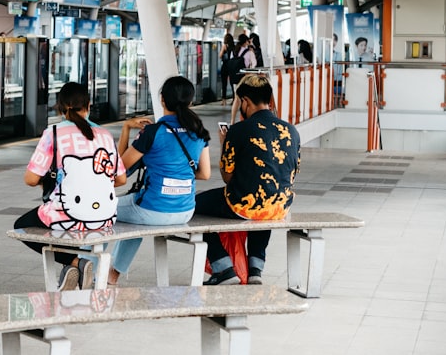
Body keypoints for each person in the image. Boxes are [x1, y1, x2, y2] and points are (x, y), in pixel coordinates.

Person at [15, 81, 125, 290]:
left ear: (60, 107)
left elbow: (30, 179)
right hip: (105, 218)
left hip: (68, 216)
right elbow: (120, 179)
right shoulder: (105, 135)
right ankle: (74, 271)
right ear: (89, 105)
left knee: (22, 226)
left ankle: (76, 263)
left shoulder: (54, 133)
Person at [196, 74, 300, 285]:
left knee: (192, 204)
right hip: (281, 206)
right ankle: (255, 269)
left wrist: (226, 144)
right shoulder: (291, 130)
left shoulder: (238, 131)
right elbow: (292, 171)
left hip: (242, 205)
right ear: (269, 100)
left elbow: (227, 177)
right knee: (266, 200)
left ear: (245, 101)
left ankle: (223, 266)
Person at [106, 76, 211, 285]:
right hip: (185, 211)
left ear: (162, 100)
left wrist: (126, 128)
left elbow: (119, 168)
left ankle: (83, 264)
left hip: (154, 210)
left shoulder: (153, 132)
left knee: (102, 210)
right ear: (190, 102)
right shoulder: (199, 132)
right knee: (134, 215)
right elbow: (204, 174)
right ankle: (112, 274)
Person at [228, 34, 257, 125]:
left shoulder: (234, 51)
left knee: (237, 100)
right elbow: (254, 64)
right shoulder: (249, 52)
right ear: (246, 42)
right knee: (247, 100)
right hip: (245, 78)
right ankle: (246, 120)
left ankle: (232, 121)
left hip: (235, 78)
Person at [218, 33, 236, 103]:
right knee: (232, 84)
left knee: (224, 83)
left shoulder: (224, 46)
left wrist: (223, 49)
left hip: (225, 66)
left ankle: (224, 100)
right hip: (232, 66)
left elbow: (220, 56)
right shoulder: (234, 47)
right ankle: (234, 99)